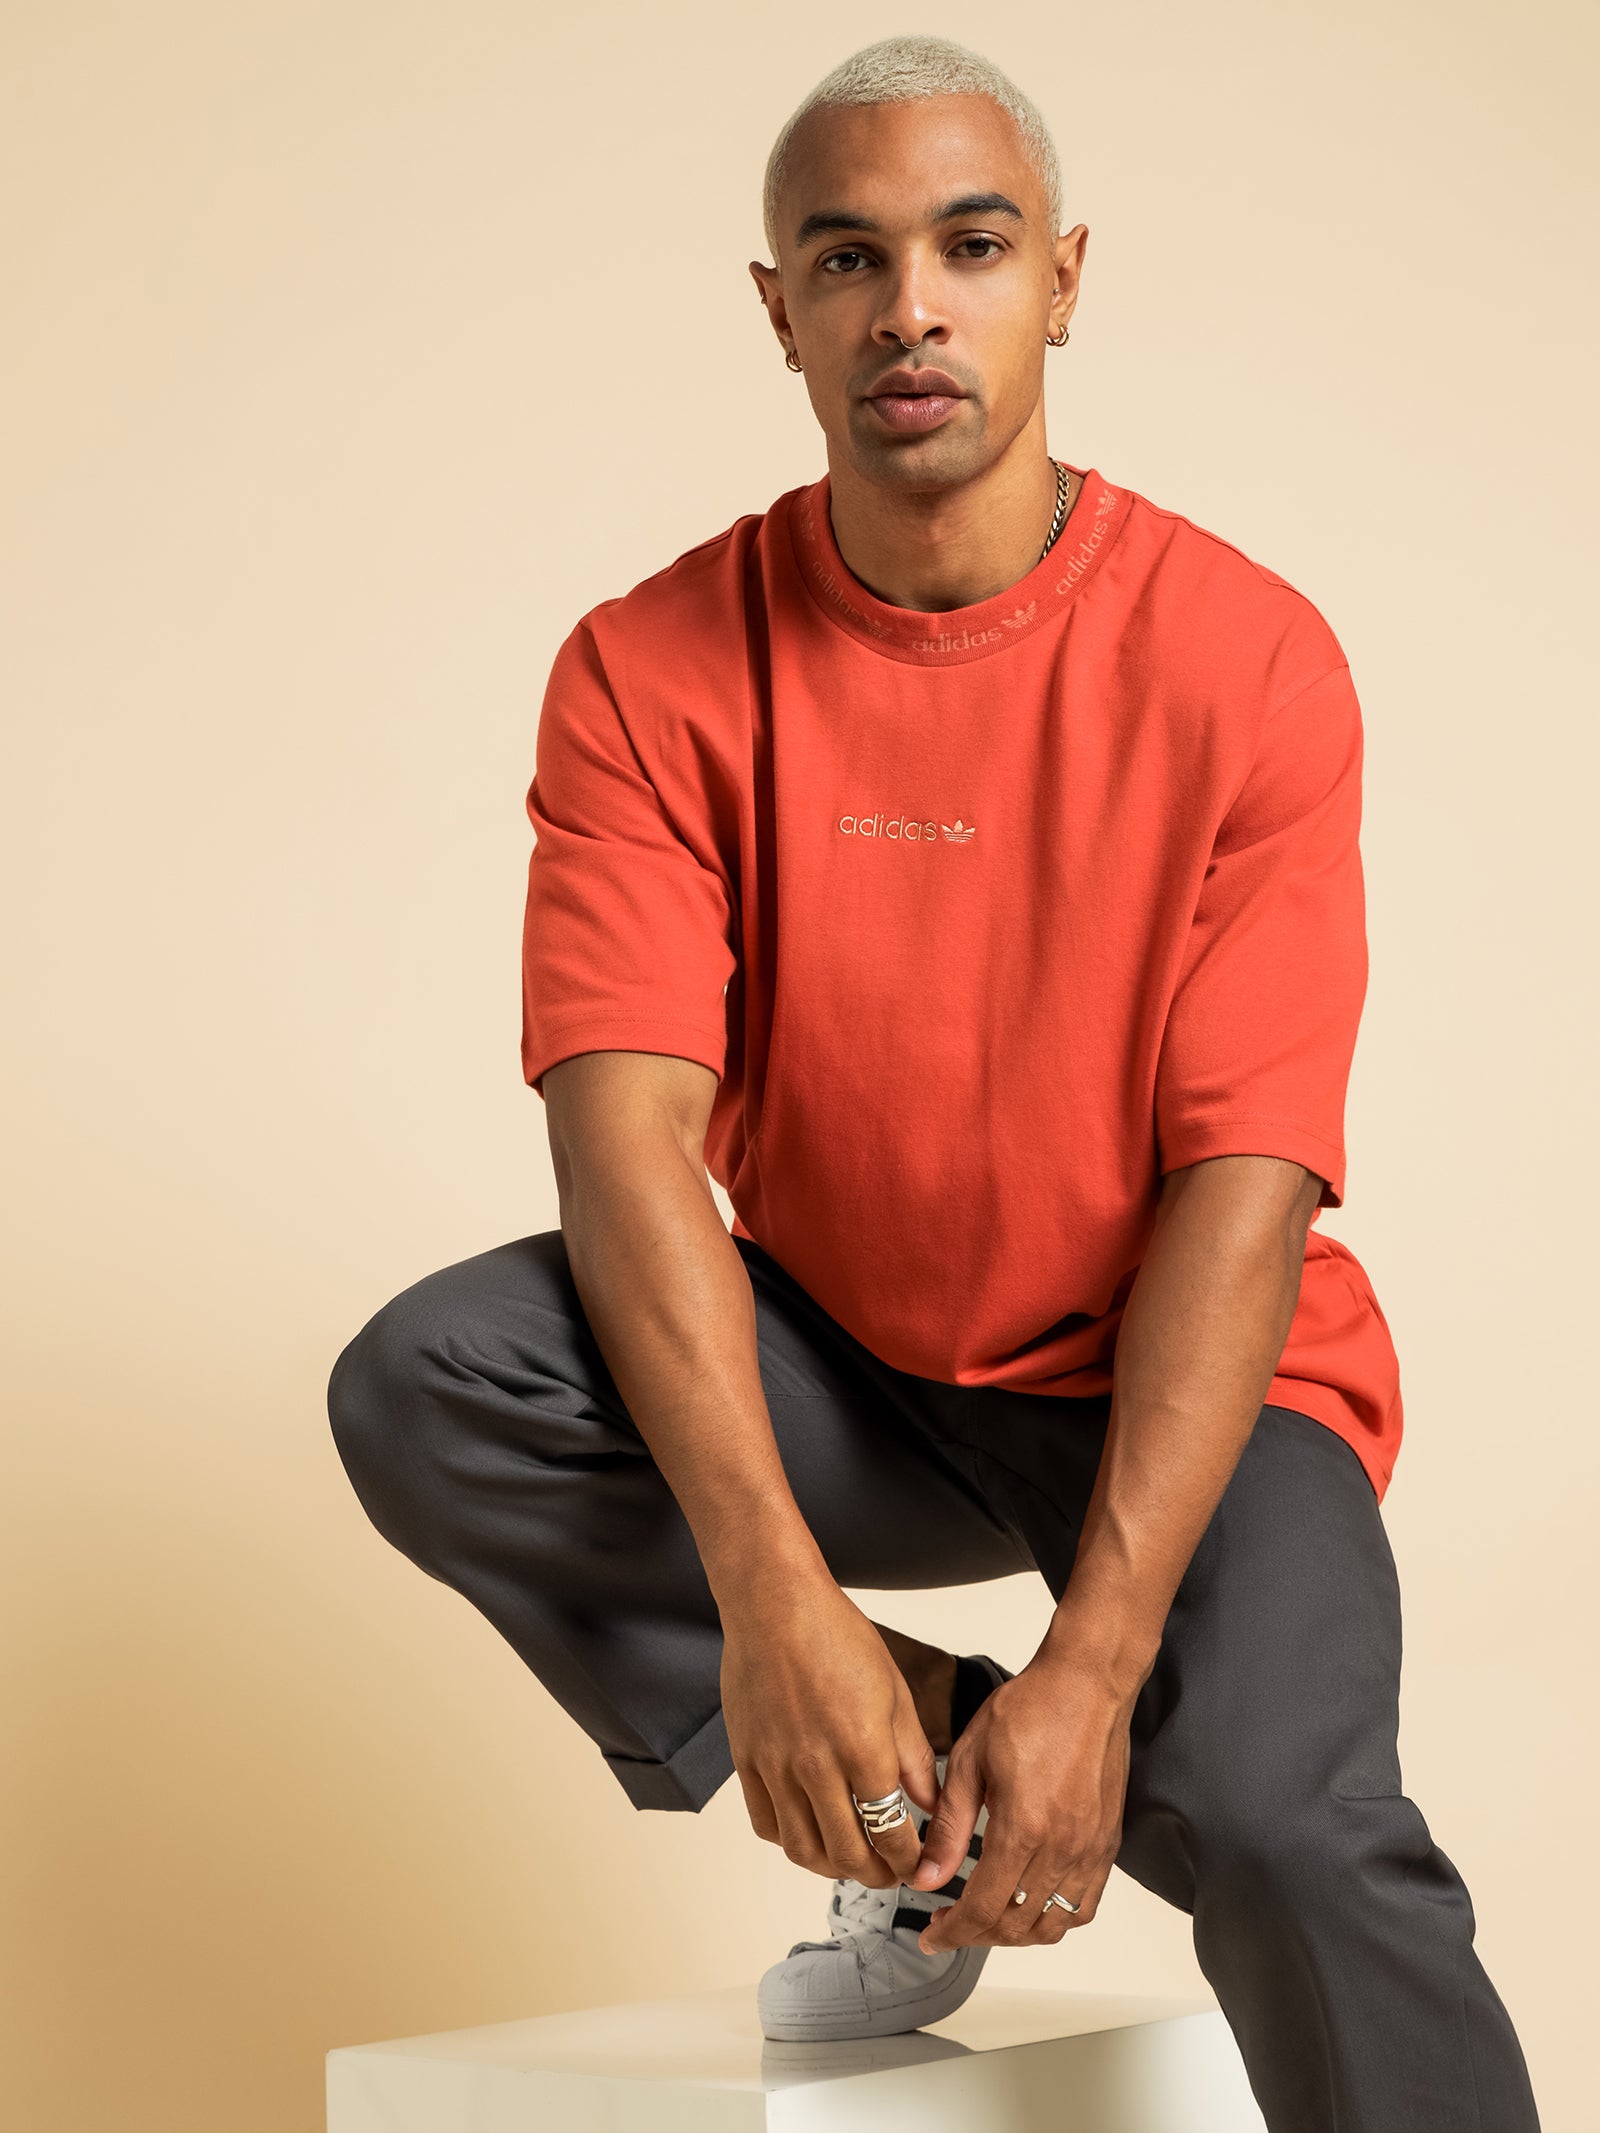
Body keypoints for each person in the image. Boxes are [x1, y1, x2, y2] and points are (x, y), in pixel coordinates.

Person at [326, 33, 1542, 2131]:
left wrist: (1093, 1676)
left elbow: (1245, 1181)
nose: (909, 307)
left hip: (1186, 1364)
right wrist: (774, 1605)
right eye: (846, 258)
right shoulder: (646, 668)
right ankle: (925, 1796)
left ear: (1060, 280)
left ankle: (999, 1785)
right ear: (778, 310)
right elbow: (625, 1142)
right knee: (434, 1380)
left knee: (1279, 1819)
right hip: (853, 1365)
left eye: (970, 247)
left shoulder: (1246, 658)